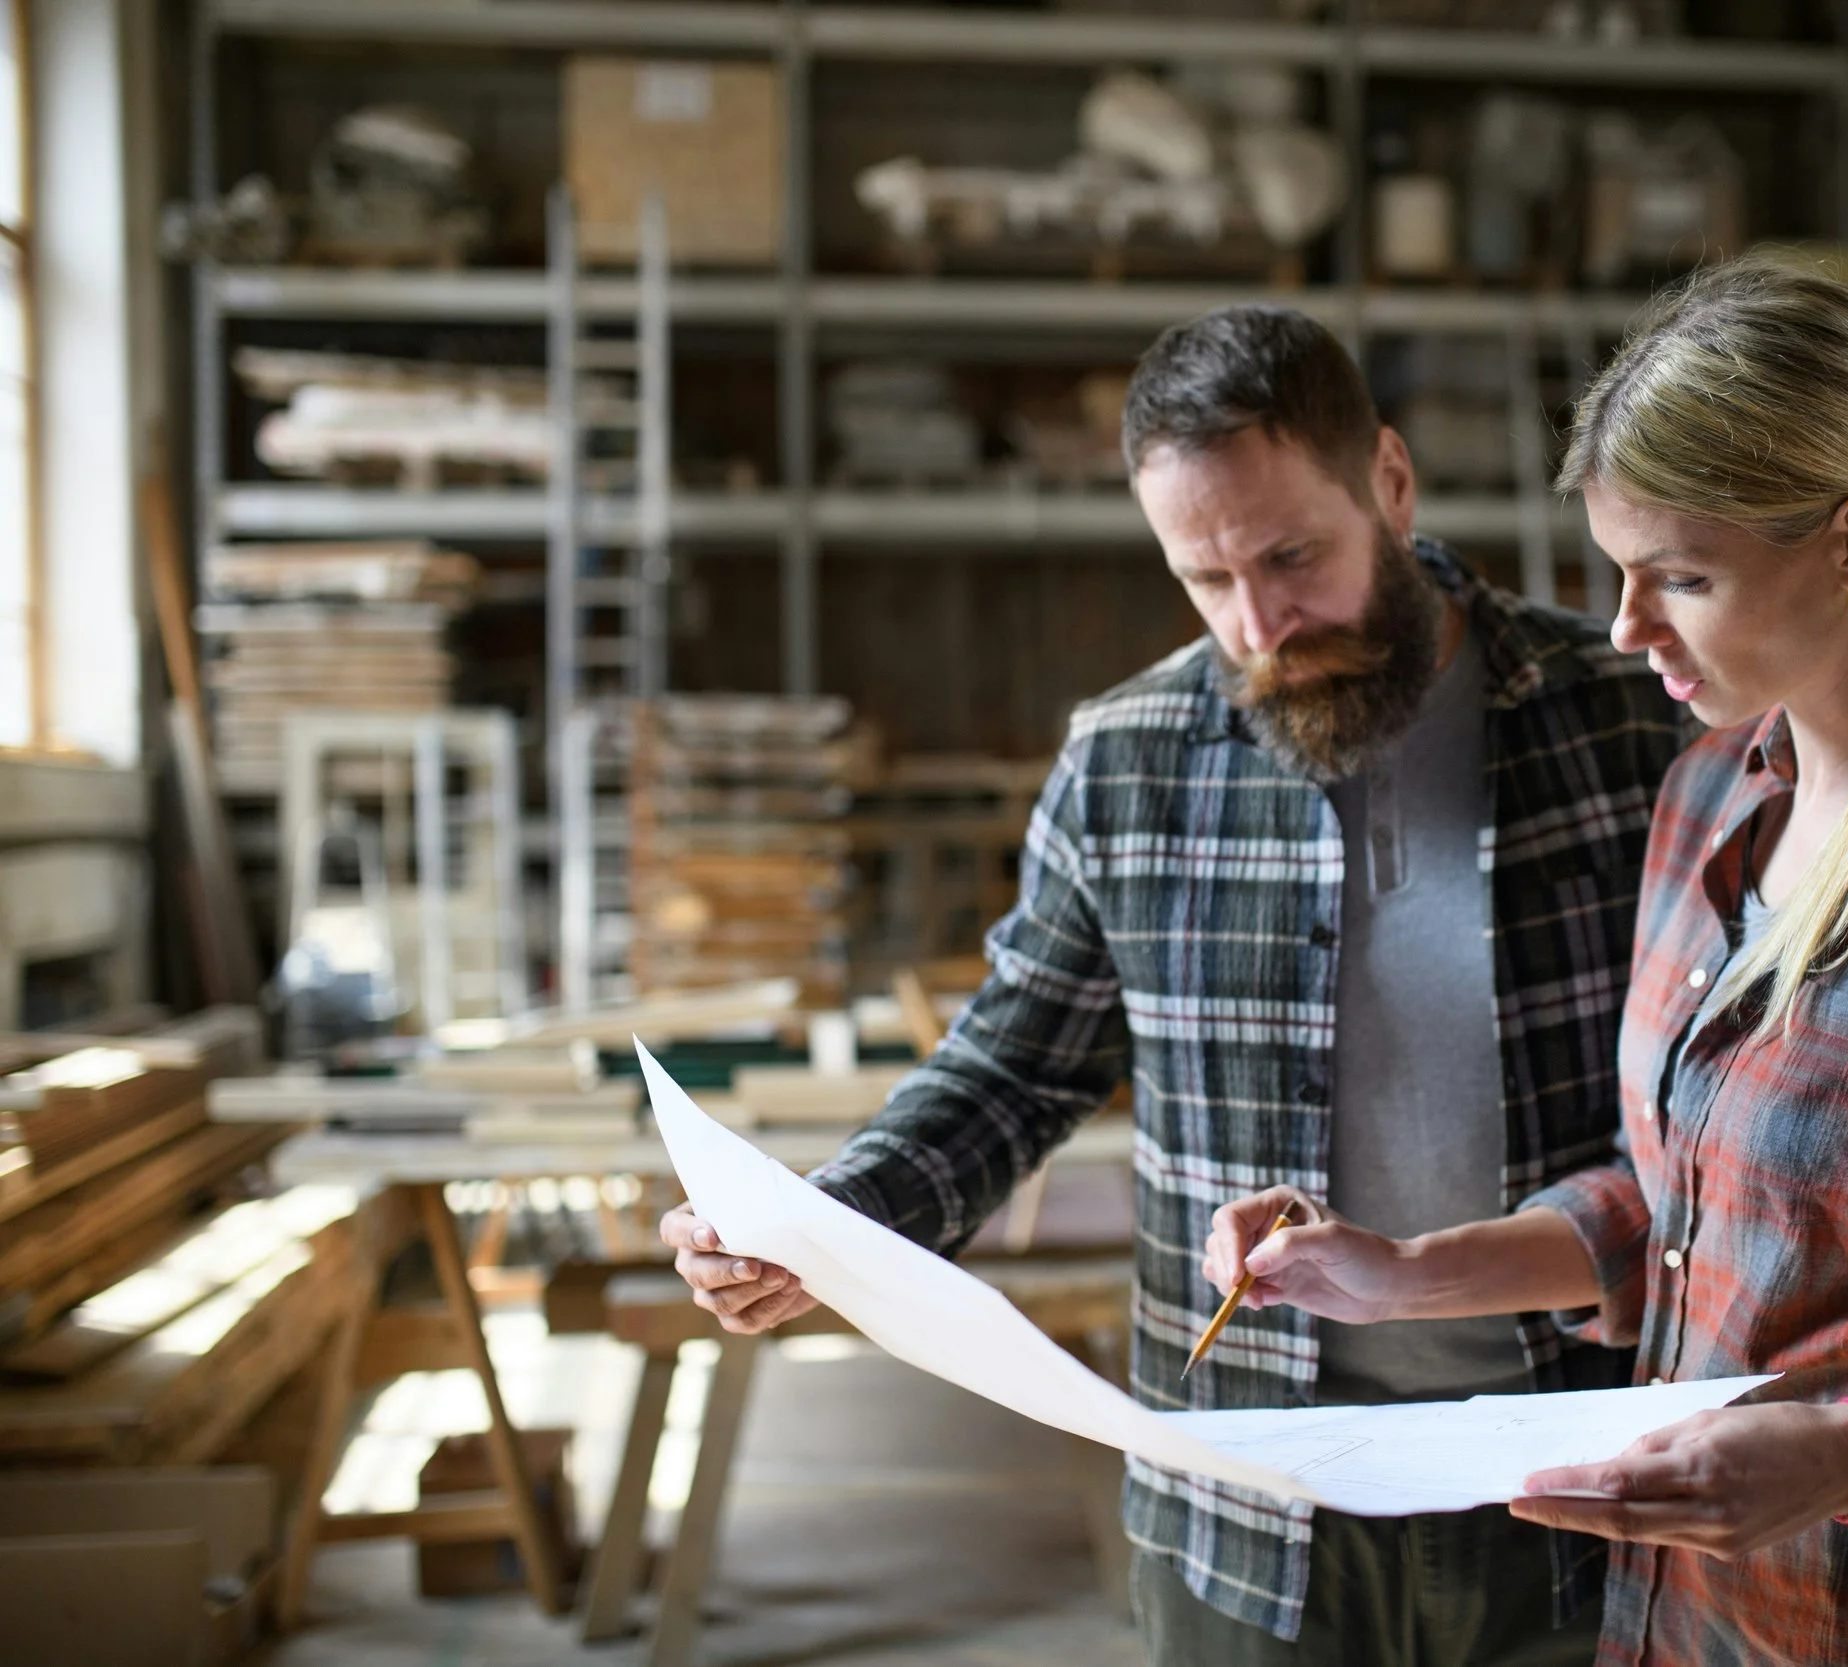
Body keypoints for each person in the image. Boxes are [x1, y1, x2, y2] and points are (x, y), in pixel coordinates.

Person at [1201, 255, 1848, 1665]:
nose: (1630, 628)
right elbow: (1683, 1201)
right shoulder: (1712, 799)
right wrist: (1400, 1271)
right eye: (1619, 574)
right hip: (1688, 1620)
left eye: (1682, 576)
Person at [661, 303, 1683, 1665]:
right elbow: (1013, 1067)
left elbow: (1715, 1099)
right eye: (1204, 579)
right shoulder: (1127, 760)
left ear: (1388, 479)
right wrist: (829, 1221)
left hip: (1575, 1469)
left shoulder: (1623, 722)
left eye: (1292, 555)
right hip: (1246, 1505)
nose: (1260, 622)